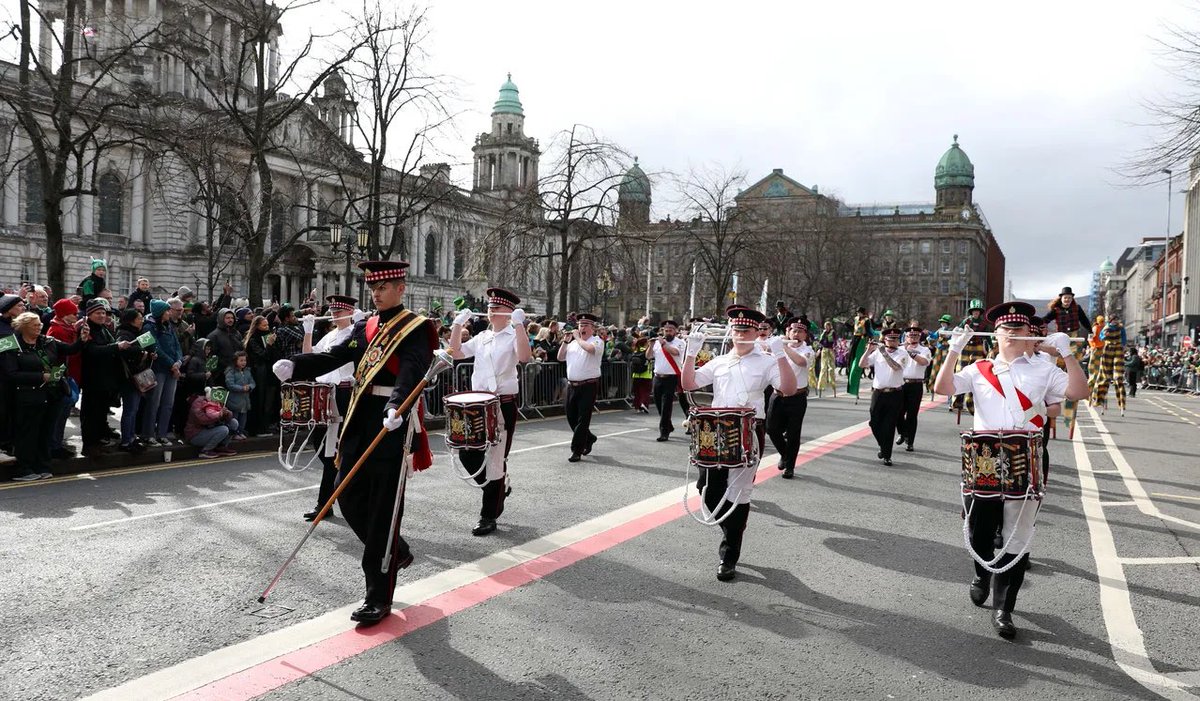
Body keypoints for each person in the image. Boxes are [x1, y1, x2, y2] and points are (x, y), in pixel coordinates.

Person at [273, 260, 436, 626]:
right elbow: (336, 356)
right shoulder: (366, 326)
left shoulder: (415, 328)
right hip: (359, 419)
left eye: (383, 287)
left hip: (389, 423)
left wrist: (397, 406)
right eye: (373, 288)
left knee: (382, 511)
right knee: (347, 499)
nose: (376, 294)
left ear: (400, 288)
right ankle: (397, 552)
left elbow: (411, 372)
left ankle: (378, 596)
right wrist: (295, 365)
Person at [934, 301, 1087, 639]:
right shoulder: (979, 369)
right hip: (985, 459)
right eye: (1006, 329)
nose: (1013, 334)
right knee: (979, 529)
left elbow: (1080, 392)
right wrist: (952, 352)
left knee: (1017, 532)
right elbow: (942, 389)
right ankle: (981, 571)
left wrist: (1068, 355)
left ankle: (1005, 608)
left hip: (1027, 456)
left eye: (1020, 330)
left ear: (1031, 335)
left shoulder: (1043, 369)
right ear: (996, 335)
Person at [682, 305, 796, 581]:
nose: (739, 334)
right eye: (736, 330)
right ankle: (730, 531)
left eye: (745, 330)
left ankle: (729, 555)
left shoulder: (767, 360)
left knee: (739, 491)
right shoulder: (721, 361)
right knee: (707, 489)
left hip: (748, 429)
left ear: (757, 333)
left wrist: (780, 354)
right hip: (716, 430)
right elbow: (689, 384)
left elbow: (789, 389)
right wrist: (690, 352)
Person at [449, 288, 531, 536]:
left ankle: (488, 515)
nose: (491, 310)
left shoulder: (513, 334)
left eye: (496, 308)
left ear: (507, 313)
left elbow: (525, 357)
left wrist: (520, 326)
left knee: (496, 460)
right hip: (478, 403)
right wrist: (456, 325)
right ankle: (496, 488)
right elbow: (456, 352)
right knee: (466, 453)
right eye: (490, 307)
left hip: (502, 402)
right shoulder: (483, 336)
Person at [0, 312, 87, 480]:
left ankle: (43, 466)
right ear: (23, 326)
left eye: (40, 324)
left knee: (45, 431)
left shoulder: (48, 341)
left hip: (51, 395)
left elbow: (70, 349)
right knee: (27, 433)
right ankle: (24, 469)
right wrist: (40, 377)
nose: (39, 327)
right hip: (26, 396)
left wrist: (81, 339)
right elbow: (10, 373)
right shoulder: (8, 343)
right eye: (35, 325)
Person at [298, 295, 359, 521]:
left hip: (345, 393)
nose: (334, 314)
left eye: (339, 311)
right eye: (332, 311)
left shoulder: (356, 334)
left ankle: (325, 503)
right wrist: (308, 330)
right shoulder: (330, 335)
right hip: (325, 393)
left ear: (350, 312)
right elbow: (309, 357)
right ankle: (330, 498)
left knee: (337, 450)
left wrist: (361, 325)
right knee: (323, 446)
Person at [79, 299, 133, 456]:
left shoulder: (103, 329)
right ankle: (89, 445)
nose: (102, 315)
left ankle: (98, 441)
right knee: (90, 414)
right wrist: (116, 346)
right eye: (98, 313)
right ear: (90, 314)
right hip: (93, 378)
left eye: (103, 313)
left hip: (106, 378)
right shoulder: (86, 328)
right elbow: (92, 350)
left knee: (100, 413)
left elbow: (110, 344)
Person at [767, 319, 813, 479]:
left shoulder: (807, 350)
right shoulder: (776, 348)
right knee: (771, 429)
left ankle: (790, 467)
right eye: (793, 331)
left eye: (800, 331)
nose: (796, 334)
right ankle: (785, 454)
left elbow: (800, 362)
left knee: (793, 433)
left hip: (797, 397)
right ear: (787, 332)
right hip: (777, 395)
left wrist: (783, 348)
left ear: (805, 335)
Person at [557, 312, 603, 463]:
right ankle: (589, 438)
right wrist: (565, 341)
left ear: (592, 328)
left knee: (583, 419)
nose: (582, 328)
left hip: (588, 385)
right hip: (572, 386)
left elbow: (589, 349)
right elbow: (560, 357)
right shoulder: (573, 343)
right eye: (580, 325)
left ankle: (576, 450)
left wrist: (577, 337)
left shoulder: (597, 341)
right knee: (571, 417)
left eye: (585, 325)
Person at [861, 327, 909, 466]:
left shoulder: (902, 353)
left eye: (896, 339)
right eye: (890, 338)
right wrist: (869, 350)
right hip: (878, 393)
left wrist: (883, 353)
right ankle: (883, 446)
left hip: (895, 393)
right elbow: (862, 364)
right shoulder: (877, 352)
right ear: (884, 339)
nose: (893, 341)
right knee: (874, 423)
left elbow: (895, 367)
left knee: (889, 425)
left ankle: (887, 455)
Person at [142, 299, 184, 445]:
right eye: (166, 310)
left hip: (172, 370)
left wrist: (178, 362)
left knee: (168, 404)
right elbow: (154, 347)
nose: (169, 312)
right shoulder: (148, 327)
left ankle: (162, 433)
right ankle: (148, 434)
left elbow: (177, 346)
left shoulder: (169, 326)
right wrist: (172, 364)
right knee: (154, 403)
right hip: (158, 370)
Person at [114, 308, 156, 452]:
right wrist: (141, 353)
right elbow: (123, 350)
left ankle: (131, 437)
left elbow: (150, 346)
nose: (142, 320)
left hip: (138, 376)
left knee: (134, 409)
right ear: (132, 320)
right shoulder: (123, 333)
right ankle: (126, 440)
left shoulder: (138, 333)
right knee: (130, 410)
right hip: (129, 378)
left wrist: (150, 354)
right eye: (139, 318)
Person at [45, 299, 82, 458]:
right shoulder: (57, 331)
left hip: (69, 374)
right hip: (61, 376)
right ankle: (54, 446)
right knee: (58, 414)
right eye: (73, 313)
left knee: (63, 413)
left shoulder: (68, 328)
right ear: (64, 314)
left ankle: (57, 443)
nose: (77, 315)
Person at [649, 320, 686, 442]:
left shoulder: (680, 343)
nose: (668, 332)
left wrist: (663, 344)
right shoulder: (657, 343)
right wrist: (650, 345)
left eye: (670, 330)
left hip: (671, 377)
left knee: (666, 405)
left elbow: (675, 352)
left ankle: (664, 432)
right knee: (658, 404)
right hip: (657, 377)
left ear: (675, 331)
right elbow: (648, 356)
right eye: (666, 330)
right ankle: (668, 425)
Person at [896, 325, 932, 452]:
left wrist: (911, 353)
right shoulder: (899, 348)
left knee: (912, 414)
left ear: (919, 336)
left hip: (915, 385)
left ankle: (910, 441)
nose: (912, 337)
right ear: (906, 337)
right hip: (901, 384)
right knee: (898, 412)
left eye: (915, 335)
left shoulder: (924, 349)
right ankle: (902, 432)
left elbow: (924, 362)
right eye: (910, 335)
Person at [952, 299, 991, 415]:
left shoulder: (984, 324)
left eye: (978, 311)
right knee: (960, 372)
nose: (976, 313)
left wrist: (991, 346)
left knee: (976, 374)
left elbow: (988, 337)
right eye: (974, 311)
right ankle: (958, 402)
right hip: (965, 347)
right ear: (971, 311)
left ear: (980, 312)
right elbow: (958, 331)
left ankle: (972, 404)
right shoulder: (966, 321)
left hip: (978, 348)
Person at [244, 315, 278, 435]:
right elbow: (263, 356)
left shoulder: (270, 336)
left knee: (270, 401)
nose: (266, 327)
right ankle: (259, 427)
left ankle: (267, 425)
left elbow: (274, 354)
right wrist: (269, 345)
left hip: (271, 373)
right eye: (264, 325)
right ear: (257, 326)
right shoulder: (253, 339)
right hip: (260, 373)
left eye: (267, 325)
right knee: (261, 400)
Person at [184, 390, 239, 458]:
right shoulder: (198, 402)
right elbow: (202, 420)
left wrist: (226, 413)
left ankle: (221, 447)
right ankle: (205, 451)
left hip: (210, 429)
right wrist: (219, 415)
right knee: (223, 429)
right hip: (196, 434)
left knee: (234, 423)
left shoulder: (216, 401)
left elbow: (228, 418)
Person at [1092, 317, 1127, 414]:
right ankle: (1099, 400)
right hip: (1108, 349)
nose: (1115, 322)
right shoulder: (1106, 328)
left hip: (1118, 349)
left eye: (1116, 320)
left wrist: (1124, 345)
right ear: (1110, 321)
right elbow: (1101, 337)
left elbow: (1124, 337)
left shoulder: (1121, 328)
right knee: (1105, 377)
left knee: (1118, 377)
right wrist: (1104, 336)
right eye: (1113, 320)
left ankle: (1122, 403)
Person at [224, 351, 255, 441]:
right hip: (234, 399)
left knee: (243, 418)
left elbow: (253, 382)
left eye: (244, 360)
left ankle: (240, 432)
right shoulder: (230, 371)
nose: (243, 363)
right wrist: (242, 388)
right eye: (241, 360)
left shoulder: (247, 371)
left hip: (245, 399)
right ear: (235, 361)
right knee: (235, 418)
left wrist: (249, 387)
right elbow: (230, 384)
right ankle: (234, 433)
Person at [846, 307, 875, 397]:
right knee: (850, 359)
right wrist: (846, 324)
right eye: (857, 312)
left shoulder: (866, 320)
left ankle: (855, 384)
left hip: (861, 340)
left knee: (857, 362)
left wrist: (870, 338)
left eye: (860, 313)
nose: (858, 314)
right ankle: (850, 381)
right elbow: (853, 329)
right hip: (854, 339)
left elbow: (869, 331)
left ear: (863, 313)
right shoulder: (855, 319)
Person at [629, 331, 652, 413]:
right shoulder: (647, 351)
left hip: (636, 374)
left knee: (637, 391)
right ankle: (644, 404)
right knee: (645, 391)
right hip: (646, 374)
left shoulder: (635, 351)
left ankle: (637, 406)